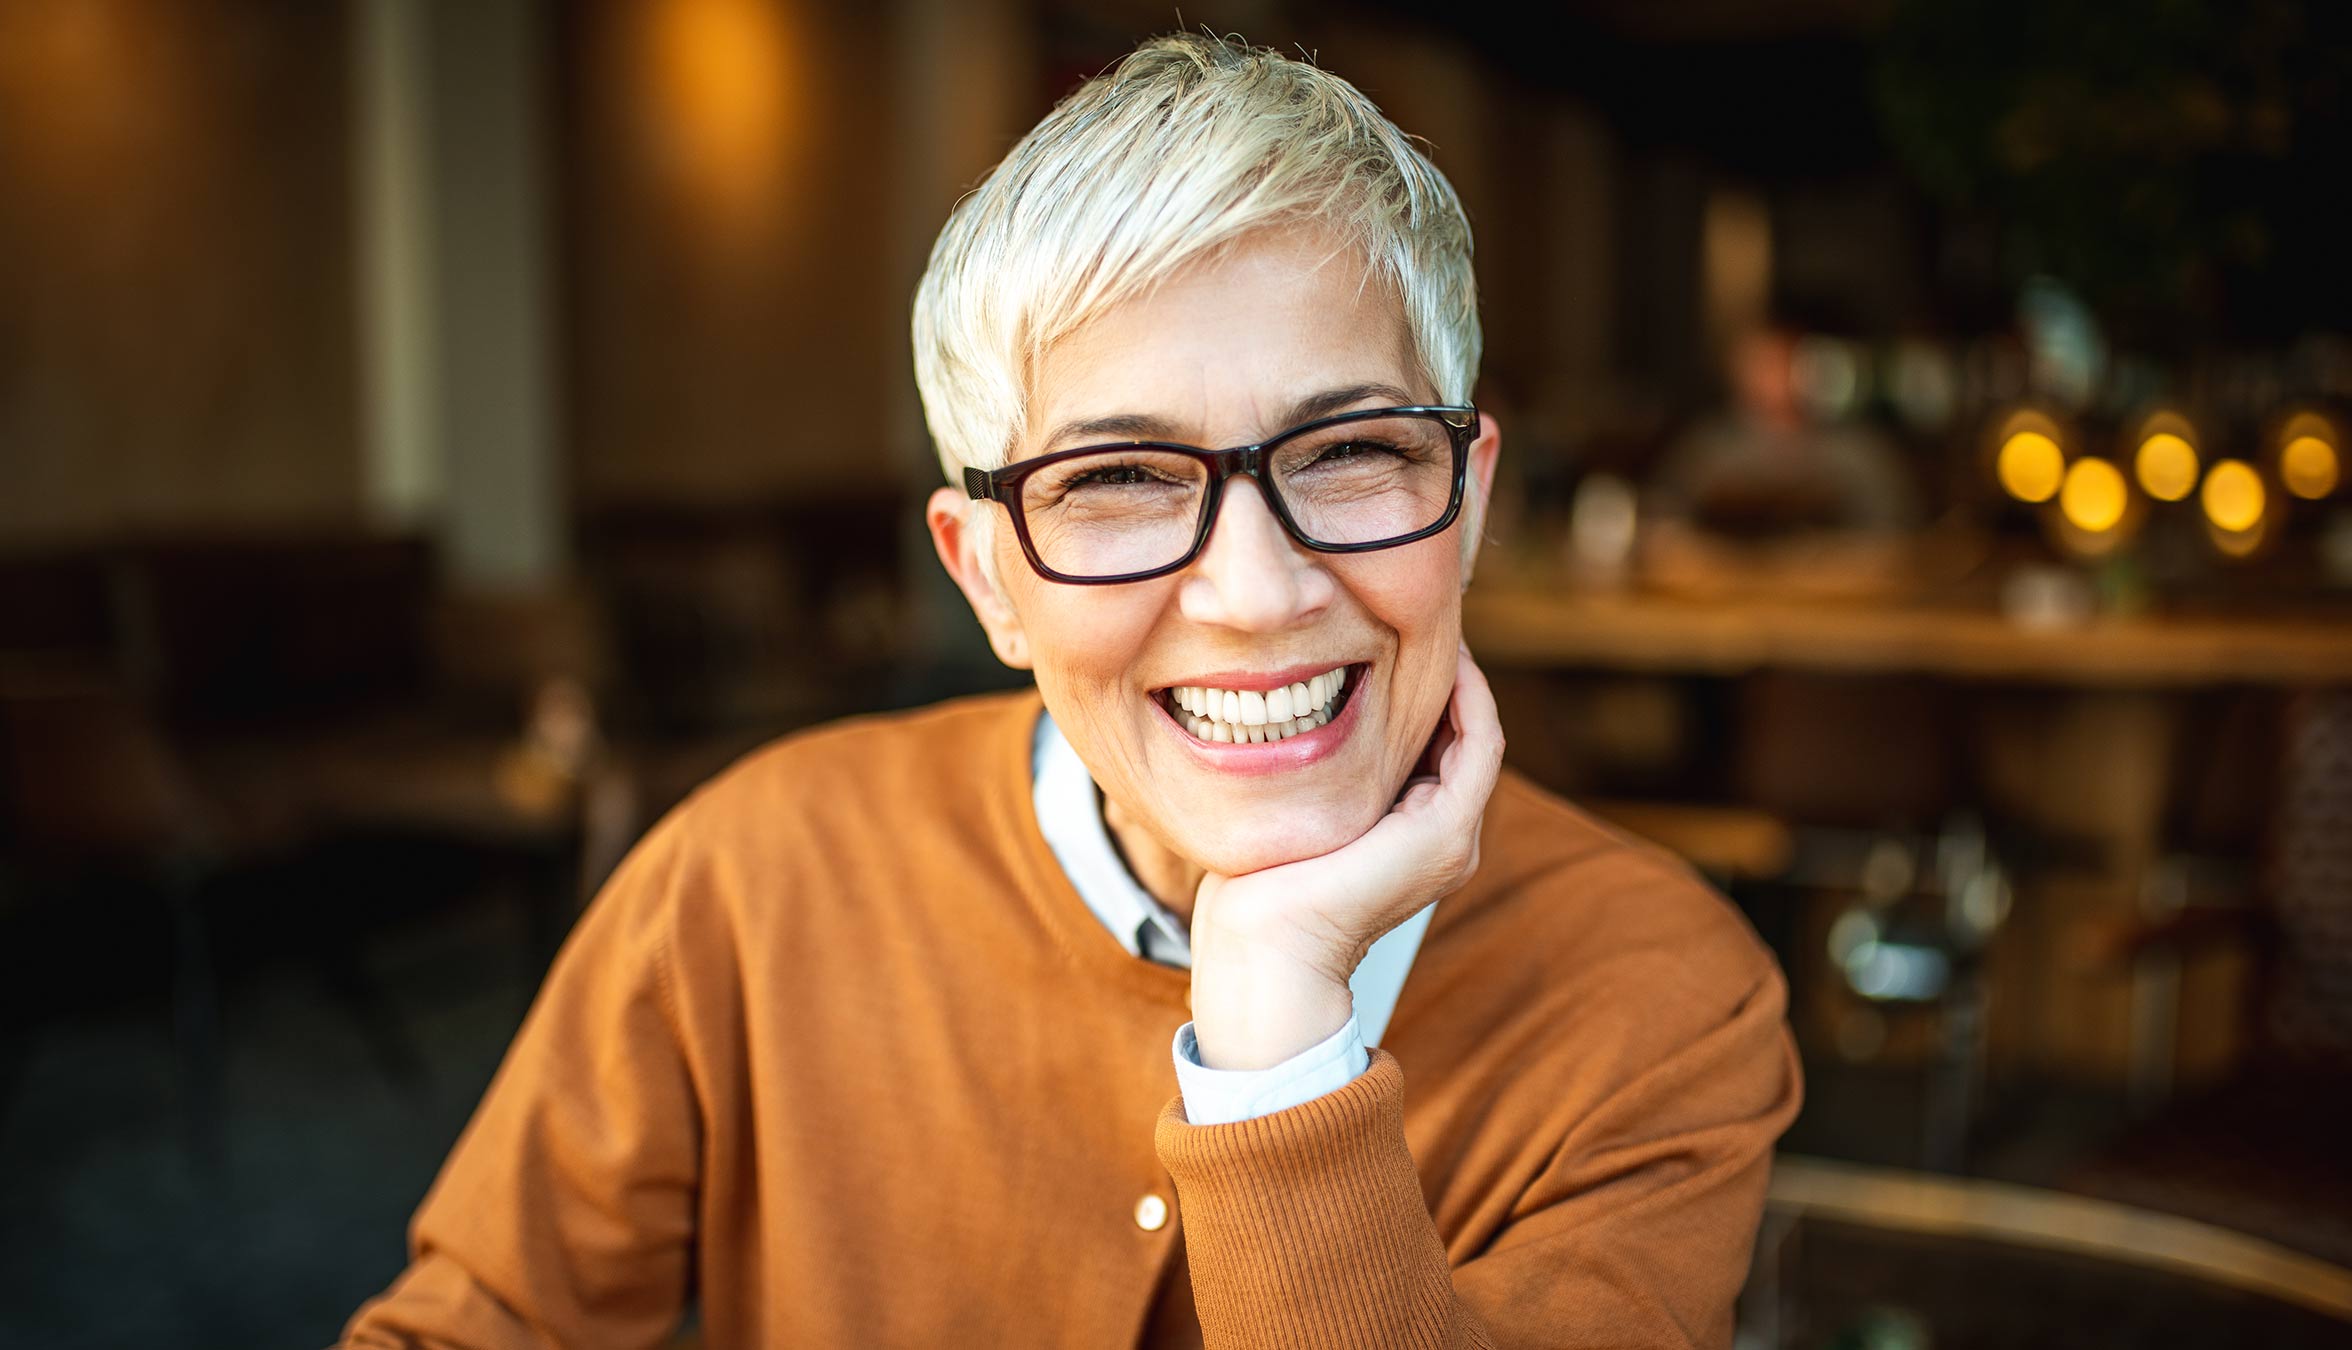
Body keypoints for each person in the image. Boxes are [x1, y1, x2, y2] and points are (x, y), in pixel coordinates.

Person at [342, 34, 1799, 1349]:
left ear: (1468, 503)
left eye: (1352, 451)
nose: (1256, 590)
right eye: (1117, 481)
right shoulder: (752, 880)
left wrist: (1281, 1024)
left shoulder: (1665, 1000)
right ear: (985, 580)